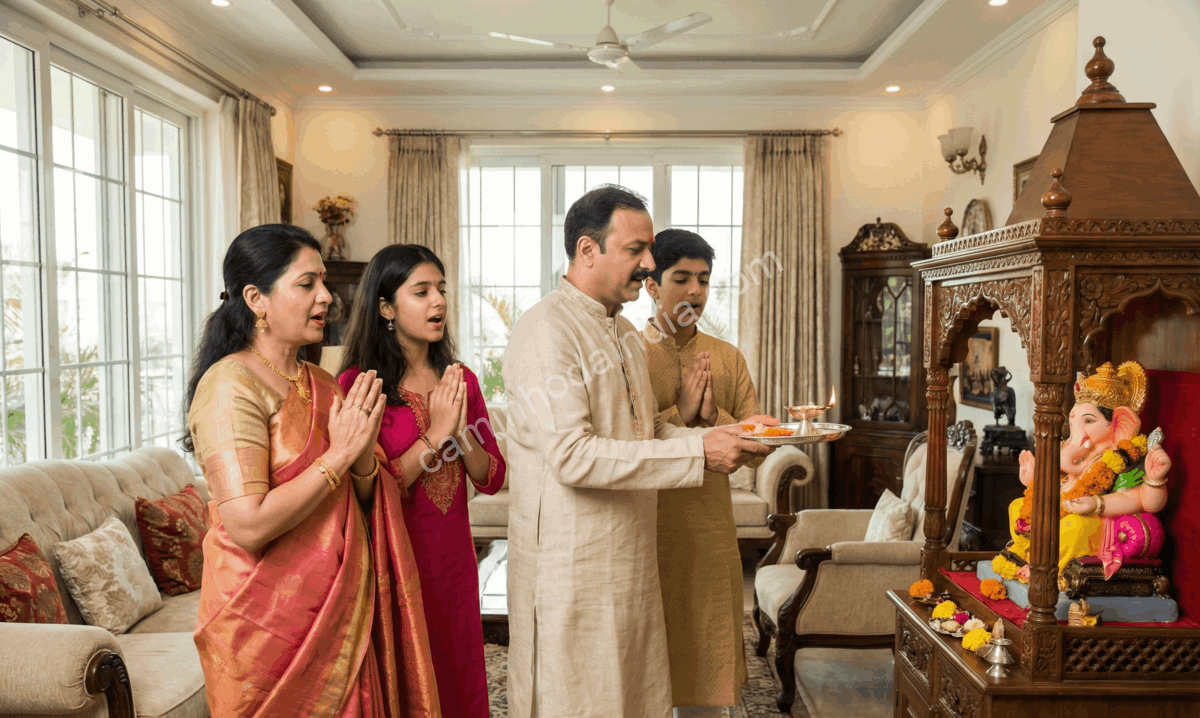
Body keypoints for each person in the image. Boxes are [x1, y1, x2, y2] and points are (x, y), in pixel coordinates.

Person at [502, 185, 775, 718]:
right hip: (573, 568)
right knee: (579, 699)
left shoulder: (624, 333)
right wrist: (699, 455)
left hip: (631, 558)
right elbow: (574, 456)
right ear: (587, 250)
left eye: (650, 249)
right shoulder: (545, 331)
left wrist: (726, 437)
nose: (649, 262)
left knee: (635, 697)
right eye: (636, 249)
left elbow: (643, 433)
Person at [184, 224, 440, 717]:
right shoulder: (228, 386)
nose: (327, 297)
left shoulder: (321, 382)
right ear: (256, 298)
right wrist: (340, 456)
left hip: (341, 610)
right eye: (307, 284)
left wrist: (363, 455)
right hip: (264, 626)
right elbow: (249, 524)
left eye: (323, 282)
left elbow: (366, 501)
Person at [337, 244, 506, 718]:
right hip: (396, 563)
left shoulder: (462, 380)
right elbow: (369, 488)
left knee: (459, 674)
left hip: (454, 559)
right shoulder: (358, 384)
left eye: (442, 289)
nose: (438, 302)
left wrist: (458, 430)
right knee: (406, 680)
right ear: (387, 308)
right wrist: (435, 433)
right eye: (422, 291)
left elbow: (491, 476)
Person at [642, 229, 767, 718]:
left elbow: (756, 449)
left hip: (710, 526)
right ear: (651, 286)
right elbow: (621, 445)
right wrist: (681, 413)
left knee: (709, 647)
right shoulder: (629, 354)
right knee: (651, 653)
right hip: (646, 523)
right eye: (681, 278)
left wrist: (712, 417)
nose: (695, 291)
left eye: (704, 279)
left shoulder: (726, 356)